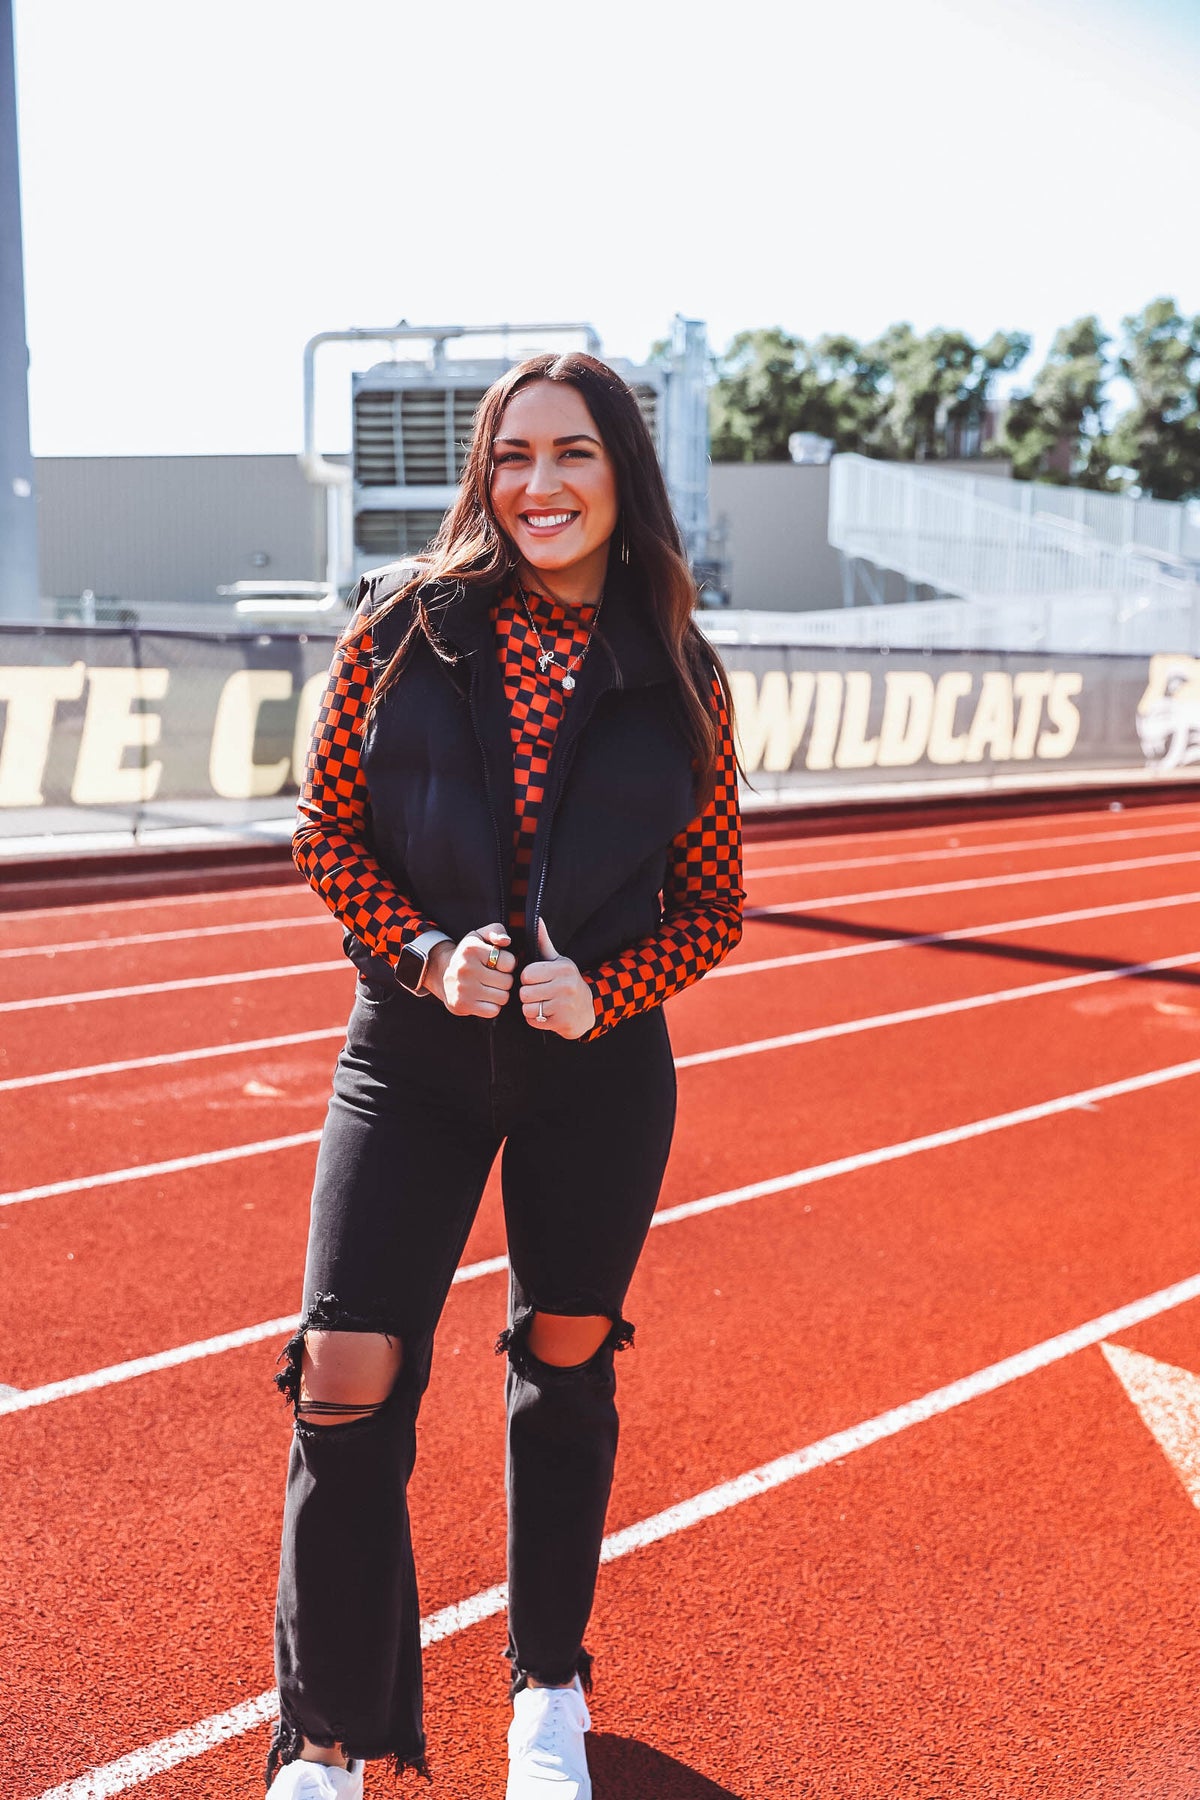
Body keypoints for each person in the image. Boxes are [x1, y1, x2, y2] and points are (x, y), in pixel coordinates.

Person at [266, 351, 745, 1799]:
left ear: (623, 478)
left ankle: (548, 1693)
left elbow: (712, 905)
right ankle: (328, 1736)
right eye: (513, 456)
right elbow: (321, 834)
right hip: (409, 1059)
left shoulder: (679, 671)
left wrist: (605, 991)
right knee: (345, 1375)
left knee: (567, 1359)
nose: (538, 486)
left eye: (573, 456)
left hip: (595, 1073)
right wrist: (420, 953)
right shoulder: (403, 630)